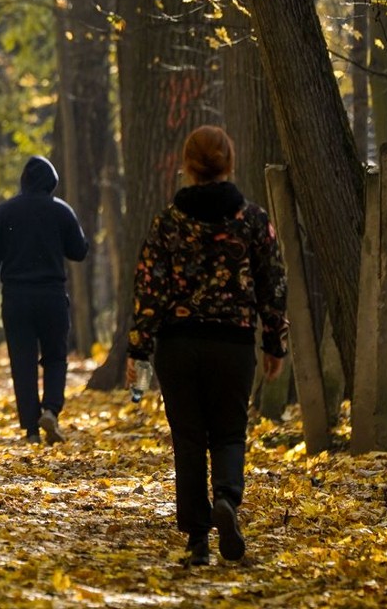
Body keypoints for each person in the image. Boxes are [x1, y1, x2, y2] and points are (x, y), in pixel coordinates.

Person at [126, 125, 289, 566]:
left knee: (189, 438)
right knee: (230, 431)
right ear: (229, 162)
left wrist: (138, 348)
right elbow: (273, 282)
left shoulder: (167, 223)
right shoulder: (253, 220)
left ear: (187, 165)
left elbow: (149, 287)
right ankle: (227, 502)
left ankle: (198, 538)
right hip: (232, 344)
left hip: (177, 347)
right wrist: (274, 341)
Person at [0, 156, 89, 445]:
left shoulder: (4, 213)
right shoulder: (62, 211)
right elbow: (79, 252)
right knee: (55, 357)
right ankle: (51, 409)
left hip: (16, 299)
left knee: (22, 363)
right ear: (52, 182)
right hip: (52, 296)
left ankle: (31, 430)